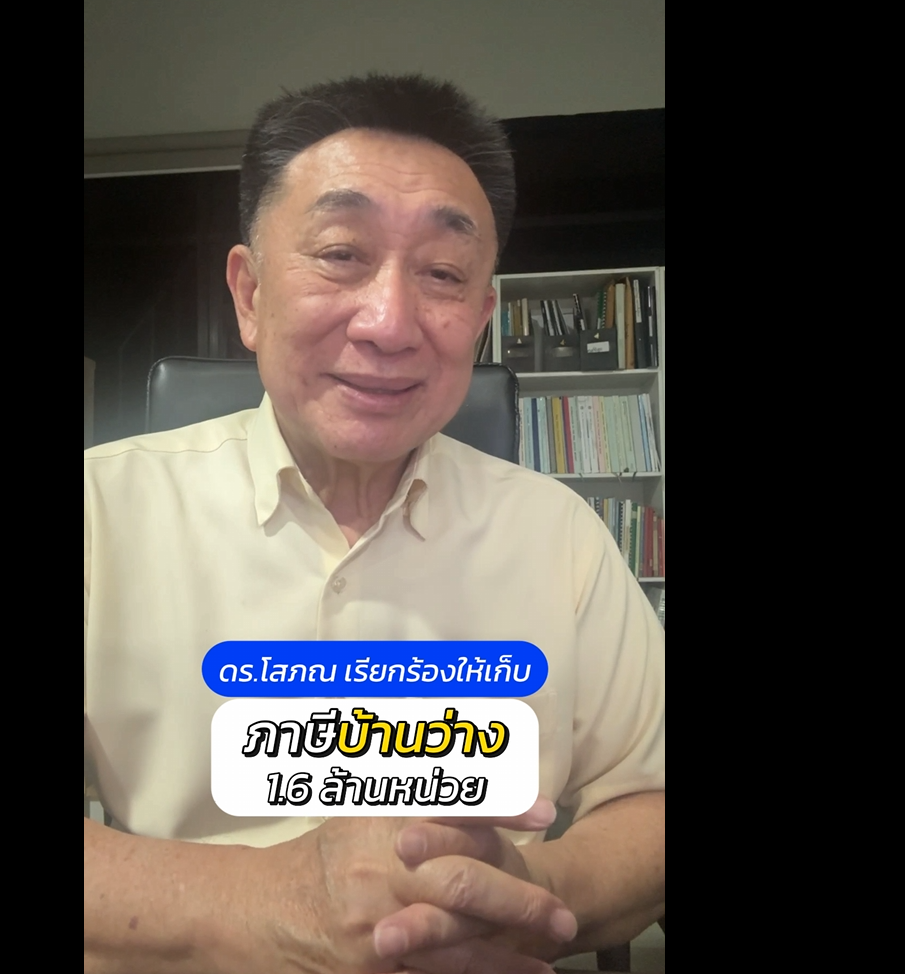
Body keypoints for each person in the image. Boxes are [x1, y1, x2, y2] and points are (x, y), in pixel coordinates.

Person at [83, 73, 665, 974]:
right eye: (341, 254)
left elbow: (651, 803)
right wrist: (274, 903)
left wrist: (518, 895)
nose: (390, 324)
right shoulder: (100, 513)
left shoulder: (560, 536)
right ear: (249, 293)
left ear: (480, 318)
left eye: (442, 274)